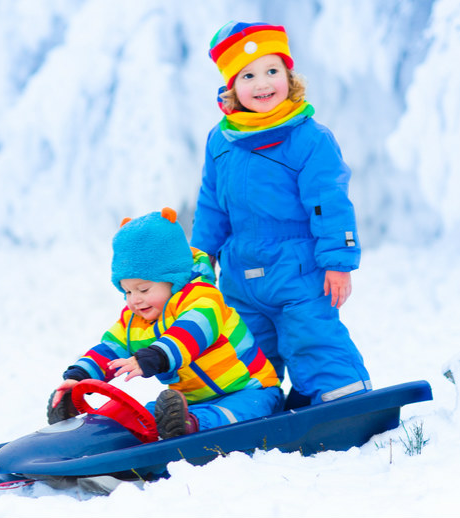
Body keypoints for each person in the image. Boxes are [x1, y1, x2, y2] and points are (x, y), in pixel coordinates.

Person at [190, 22, 371, 409]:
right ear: (231, 88)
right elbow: (210, 205)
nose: (263, 83)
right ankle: (251, 410)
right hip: (240, 274)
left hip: (299, 269)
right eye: (249, 75)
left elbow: (328, 202)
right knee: (245, 350)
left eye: (273, 71)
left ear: (289, 77)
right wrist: (201, 257)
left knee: (312, 338)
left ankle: (344, 404)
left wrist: (338, 262)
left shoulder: (309, 138)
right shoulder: (220, 140)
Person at [48, 208, 282, 439]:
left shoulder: (203, 299)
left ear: (174, 279)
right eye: (127, 291)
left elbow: (191, 332)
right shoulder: (136, 321)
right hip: (191, 403)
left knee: (237, 413)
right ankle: (97, 432)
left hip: (250, 391)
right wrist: (79, 376)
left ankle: (191, 427)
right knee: (143, 414)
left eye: (143, 289)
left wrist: (155, 356)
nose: (135, 300)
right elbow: (110, 350)